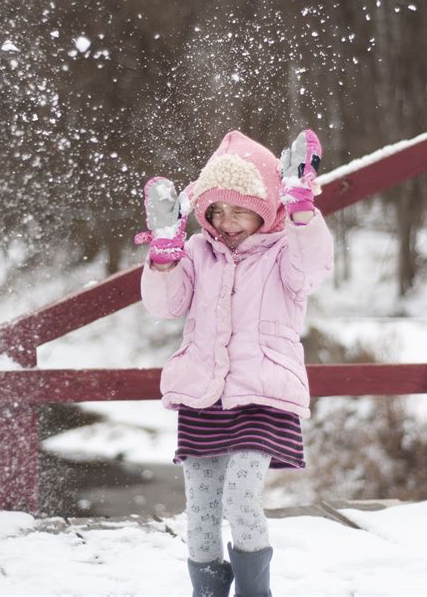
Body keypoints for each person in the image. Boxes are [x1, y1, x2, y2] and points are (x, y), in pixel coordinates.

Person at [135, 129, 334, 597]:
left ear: (267, 205)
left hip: (262, 394)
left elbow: (314, 267)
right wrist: (164, 256)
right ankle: (206, 592)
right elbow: (165, 305)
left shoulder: (287, 251)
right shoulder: (198, 253)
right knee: (201, 511)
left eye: (239, 209)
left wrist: (302, 207)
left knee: (241, 497)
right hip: (204, 397)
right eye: (216, 211)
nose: (226, 221)